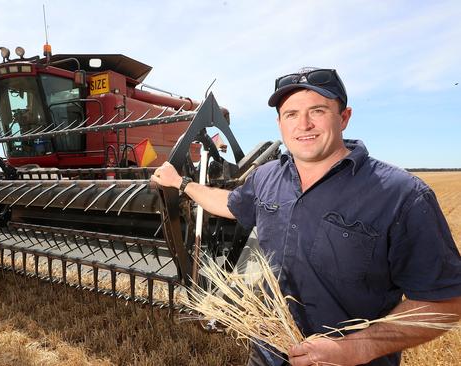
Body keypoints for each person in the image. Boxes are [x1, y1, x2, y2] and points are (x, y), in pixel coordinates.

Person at [151, 67, 461, 366]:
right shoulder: (267, 177)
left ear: (344, 117)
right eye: (291, 114)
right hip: (267, 351)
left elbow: (445, 303)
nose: (304, 124)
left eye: (318, 111)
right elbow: (230, 204)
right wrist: (180, 182)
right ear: (279, 124)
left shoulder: (400, 195)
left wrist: (353, 349)